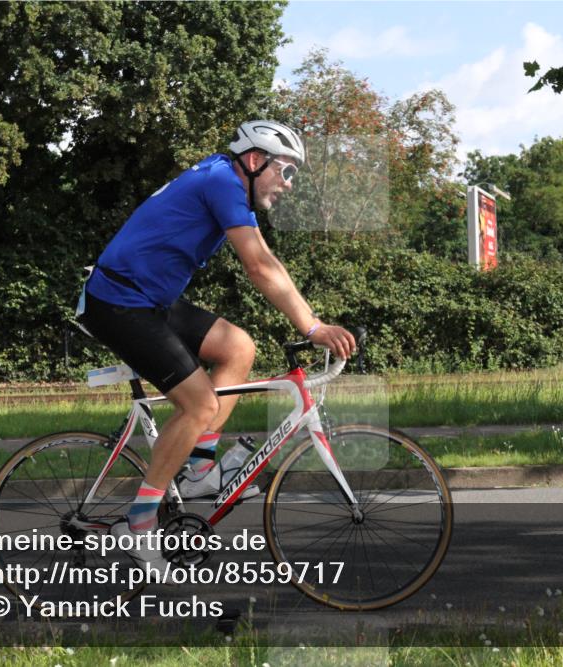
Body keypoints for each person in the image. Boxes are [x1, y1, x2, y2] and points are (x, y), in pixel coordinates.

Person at [78, 120, 356, 566]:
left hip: (149, 298)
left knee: (238, 348)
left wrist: (312, 322)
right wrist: (313, 328)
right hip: (118, 301)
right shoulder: (222, 181)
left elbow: (267, 260)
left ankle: (200, 468)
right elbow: (260, 267)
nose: (288, 184)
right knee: (200, 404)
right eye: (285, 171)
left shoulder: (225, 180)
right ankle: (141, 521)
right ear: (253, 161)